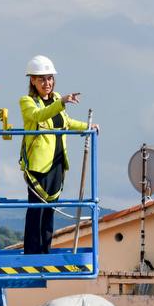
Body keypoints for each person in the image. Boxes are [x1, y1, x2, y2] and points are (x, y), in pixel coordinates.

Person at [18, 55, 97, 254]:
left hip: (57, 163)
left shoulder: (55, 99)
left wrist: (88, 126)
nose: (47, 83)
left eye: (50, 78)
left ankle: (45, 249)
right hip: (38, 165)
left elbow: (67, 122)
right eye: (42, 79)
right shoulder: (28, 101)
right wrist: (61, 102)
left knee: (50, 211)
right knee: (37, 209)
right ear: (33, 81)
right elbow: (38, 116)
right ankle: (32, 252)